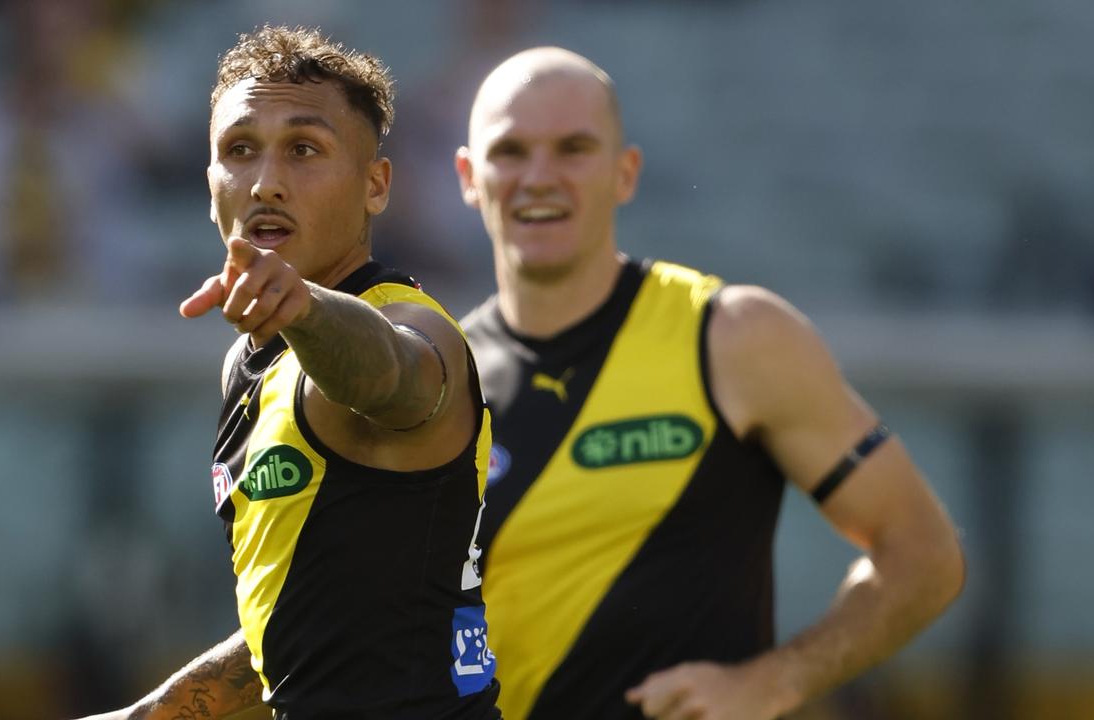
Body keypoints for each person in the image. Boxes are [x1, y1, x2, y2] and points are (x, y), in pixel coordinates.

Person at [455, 47, 965, 720]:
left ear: (625, 171)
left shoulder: (733, 336)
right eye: (510, 151)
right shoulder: (438, 379)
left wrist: (772, 681)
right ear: (467, 176)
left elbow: (923, 554)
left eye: (573, 148)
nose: (539, 177)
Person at [80, 26, 500, 720]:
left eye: (304, 149)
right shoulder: (250, 360)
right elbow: (308, 626)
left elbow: (393, 376)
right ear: (209, 182)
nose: (267, 182)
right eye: (238, 150)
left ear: (375, 185)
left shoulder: (413, 326)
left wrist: (306, 307)